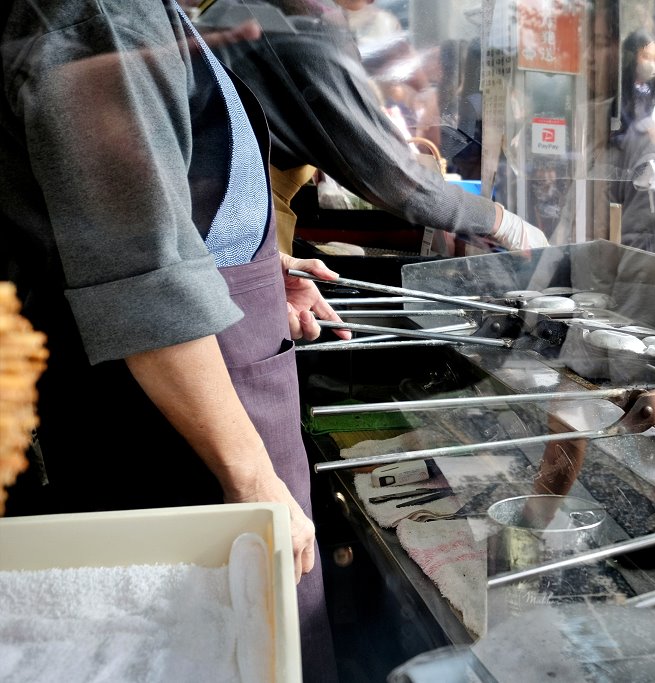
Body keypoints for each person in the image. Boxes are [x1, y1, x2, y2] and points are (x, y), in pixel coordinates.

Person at [1, 2, 341, 679]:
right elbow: (140, 274)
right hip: (167, 428)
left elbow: (138, 205)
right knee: (210, 645)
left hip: (219, 384)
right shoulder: (97, 11)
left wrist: (261, 272)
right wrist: (250, 476)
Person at [197, 0, 547, 255]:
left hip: (220, 226)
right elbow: (395, 180)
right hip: (228, 234)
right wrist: (502, 222)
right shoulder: (300, 22)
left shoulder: (247, 7)